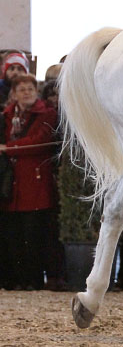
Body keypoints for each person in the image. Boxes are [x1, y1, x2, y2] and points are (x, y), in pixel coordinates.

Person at [0, 74, 58, 289]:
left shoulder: (47, 115)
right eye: (21, 89)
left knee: (33, 234)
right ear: (13, 94)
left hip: (34, 182)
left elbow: (40, 142)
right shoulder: (6, 116)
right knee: (12, 234)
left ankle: (32, 280)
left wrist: (10, 149)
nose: (26, 92)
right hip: (11, 184)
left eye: (30, 89)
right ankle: (14, 280)